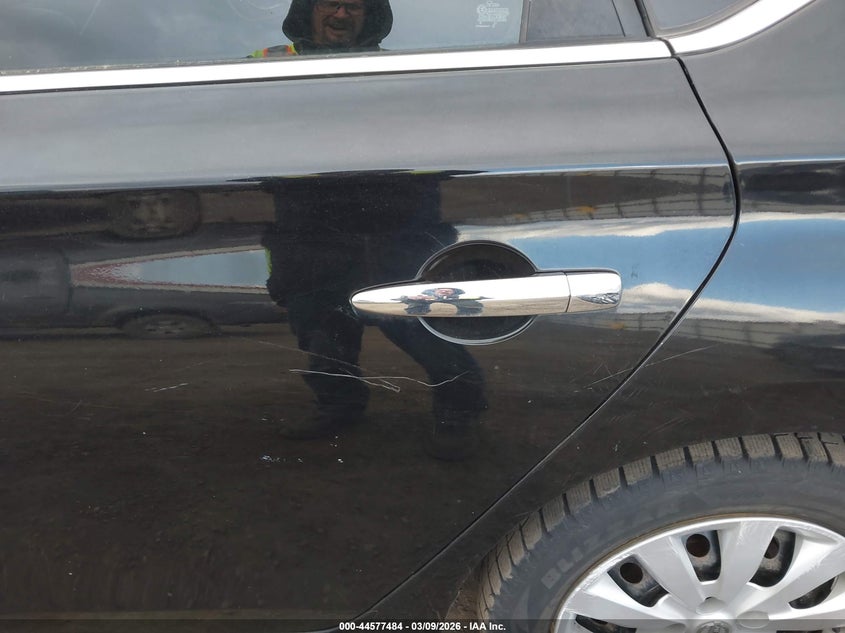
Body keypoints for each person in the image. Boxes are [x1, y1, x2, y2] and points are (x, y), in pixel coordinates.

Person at [250, 0, 393, 58]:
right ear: (309, 10)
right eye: (331, 4)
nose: (341, 15)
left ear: (367, 15)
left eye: (353, 7)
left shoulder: (393, 65)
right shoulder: (262, 61)